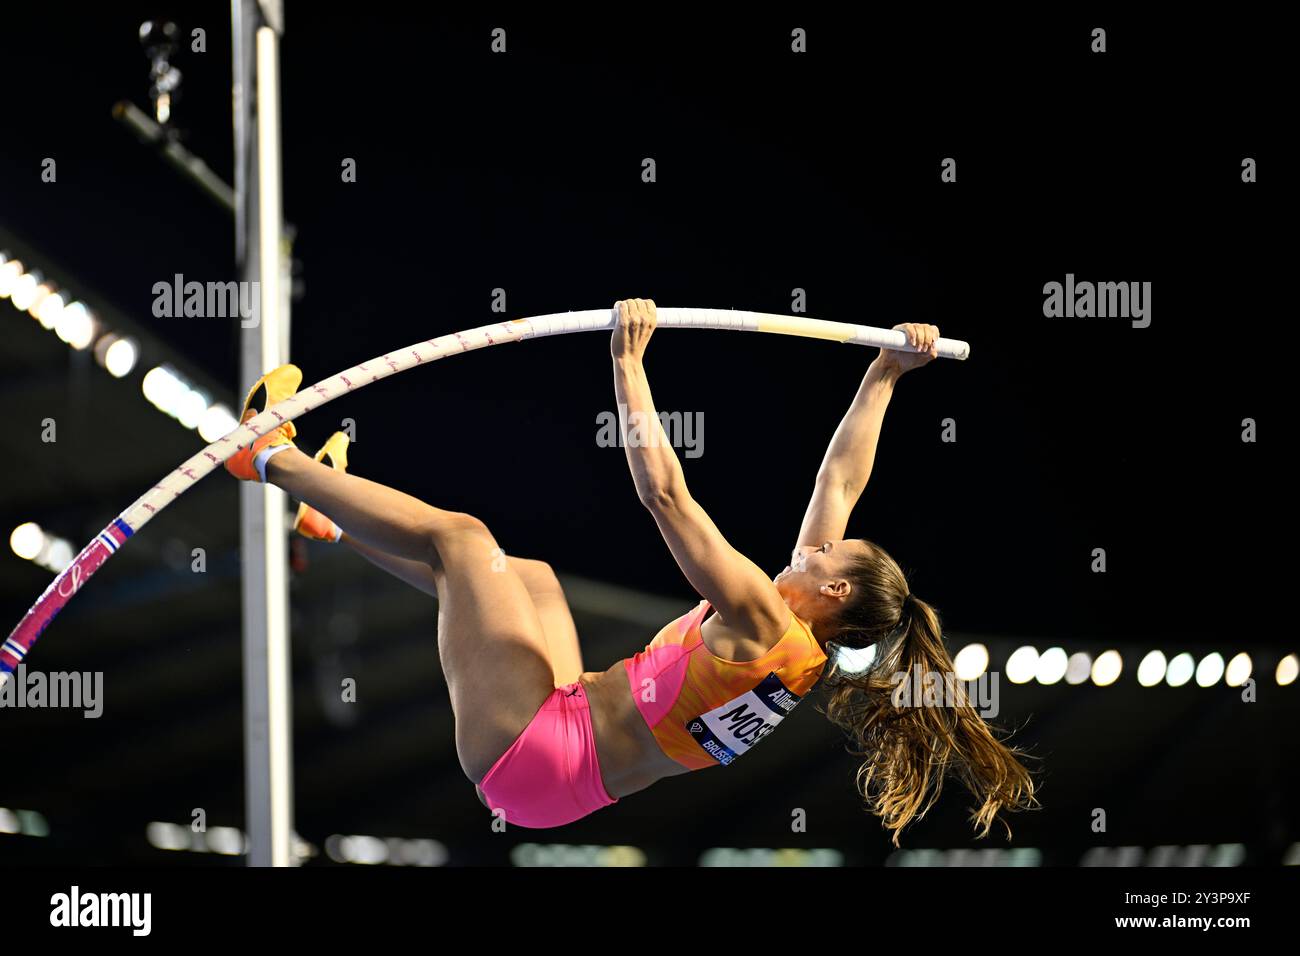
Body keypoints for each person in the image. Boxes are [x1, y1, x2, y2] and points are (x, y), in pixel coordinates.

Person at [225, 298, 1035, 843]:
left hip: (540, 748)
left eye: (827, 554)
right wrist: (884, 372)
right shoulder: (801, 644)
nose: (815, 544)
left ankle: (269, 455)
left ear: (836, 592)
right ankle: (335, 521)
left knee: (465, 540)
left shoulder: (762, 614)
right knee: (521, 579)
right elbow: (841, 481)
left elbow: (667, 496)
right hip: (567, 765)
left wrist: (628, 360)